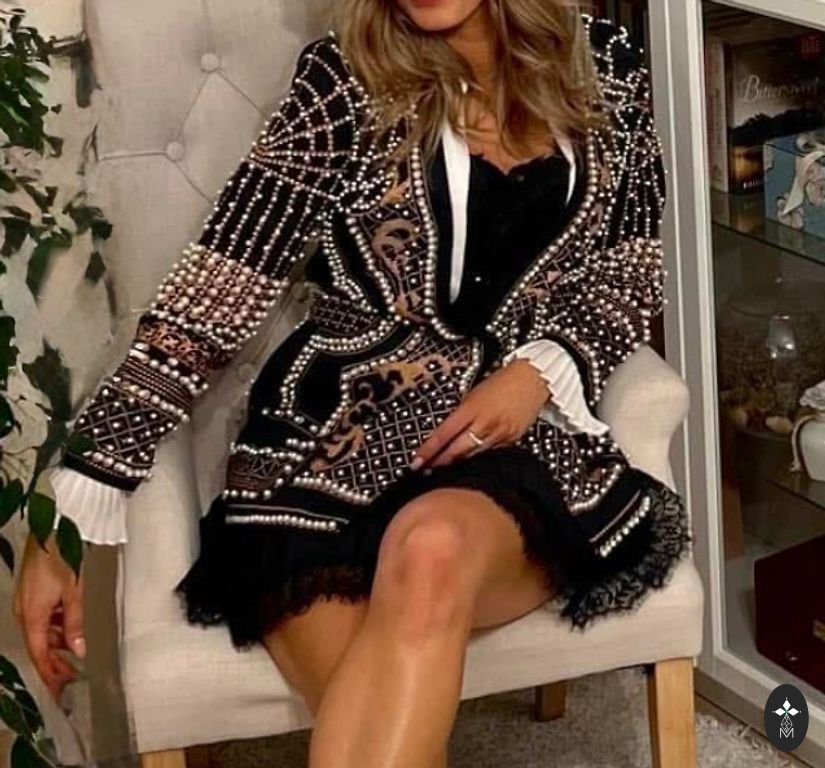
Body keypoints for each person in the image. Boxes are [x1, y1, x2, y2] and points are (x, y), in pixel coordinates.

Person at [14, 1, 692, 765]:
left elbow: (630, 268)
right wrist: (64, 512)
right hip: (322, 444)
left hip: (503, 446)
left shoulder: (605, 63)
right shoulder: (340, 79)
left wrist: (539, 370)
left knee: (430, 550)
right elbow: (213, 296)